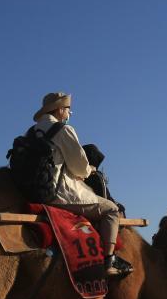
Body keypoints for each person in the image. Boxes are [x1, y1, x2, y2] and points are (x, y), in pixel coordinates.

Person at [31, 92, 131, 276]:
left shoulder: (32, 131)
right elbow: (79, 166)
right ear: (60, 110)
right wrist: (89, 170)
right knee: (111, 209)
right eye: (68, 110)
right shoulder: (62, 130)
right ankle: (109, 260)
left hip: (33, 191)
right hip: (58, 194)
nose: (69, 114)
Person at [82, 144, 125, 216]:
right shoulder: (94, 176)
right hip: (98, 208)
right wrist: (117, 205)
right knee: (115, 209)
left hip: (91, 205)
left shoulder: (80, 173)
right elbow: (104, 196)